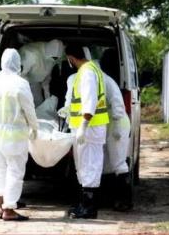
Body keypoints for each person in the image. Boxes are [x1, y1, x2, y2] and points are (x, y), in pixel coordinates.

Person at [0, 48, 38, 221]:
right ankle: (9, 210)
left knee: (0, 168)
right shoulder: (20, 84)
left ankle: (0, 205)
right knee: (15, 171)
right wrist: (35, 127)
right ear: (18, 63)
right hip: (14, 134)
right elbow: (29, 109)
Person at [64, 44, 110, 219]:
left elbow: (89, 102)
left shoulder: (87, 73)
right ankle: (84, 204)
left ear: (71, 58)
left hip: (89, 129)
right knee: (84, 166)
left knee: (90, 166)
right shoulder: (89, 70)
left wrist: (82, 127)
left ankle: (89, 208)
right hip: (87, 129)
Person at [100, 49, 132, 212]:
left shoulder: (106, 81)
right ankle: (111, 198)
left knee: (119, 162)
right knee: (107, 163)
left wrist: (117, 127)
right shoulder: (104, 79)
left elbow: (118, 107)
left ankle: (124, 200)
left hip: (117, 123)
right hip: (112, 123)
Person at [19, 39, 64, 106]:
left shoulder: (55, 57)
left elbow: (47, 76)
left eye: (56, 58)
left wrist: (47, 97)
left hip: (36, 82)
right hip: (24, 83)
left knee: (39, 104)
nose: (55, 59)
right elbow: (20, 75)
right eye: (54, 57)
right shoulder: (31, 55)